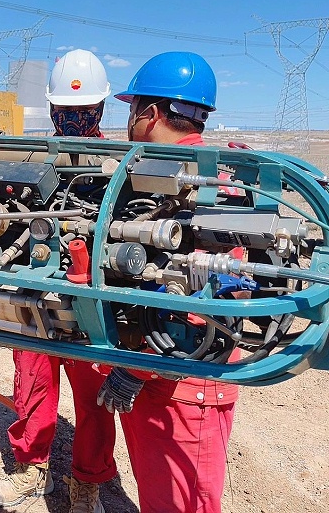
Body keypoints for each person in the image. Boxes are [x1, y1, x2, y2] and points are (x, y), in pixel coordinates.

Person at [98, 51, 238, 513]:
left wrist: (133, 370)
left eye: (132, 110)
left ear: (152, 113)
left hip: (183, 383)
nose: (129, 122)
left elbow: (202, 308)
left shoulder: (208, 188)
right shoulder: (184, 175)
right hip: (154, 372)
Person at [0, 50, 113, 513]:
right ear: (52, 109)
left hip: (88, 296)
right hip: (36, 287)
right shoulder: (33, 158)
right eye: (65, 110)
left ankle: (87, 485)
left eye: (83, 110)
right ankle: (31, 468)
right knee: (33, 380)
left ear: (100, 109)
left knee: (94, 398)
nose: (74, 118)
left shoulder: (117, 165)